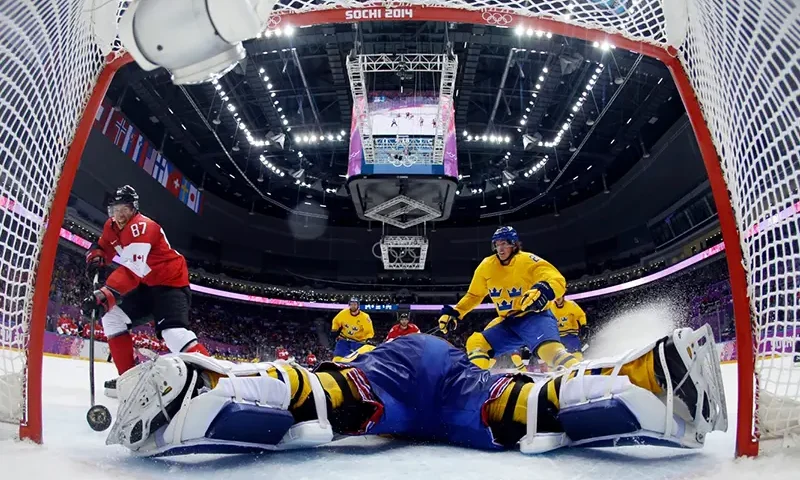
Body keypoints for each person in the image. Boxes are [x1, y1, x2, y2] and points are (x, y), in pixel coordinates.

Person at [106, 325, 728, 457]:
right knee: (524, 407)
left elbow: (335, 366)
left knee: (325, 395)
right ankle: (655, 373)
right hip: (451, 372)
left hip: (396, 374)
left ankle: (199, 384)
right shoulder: (455, 343)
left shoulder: (370, 344)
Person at [82, 185, 208, 397]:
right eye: (115, 209)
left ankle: (214, 380)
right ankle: (131, 380)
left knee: (173, 335)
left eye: (125, 209)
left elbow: (132, 271)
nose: (120, 215)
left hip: (171, 286)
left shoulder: (142, 226)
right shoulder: (111, 226)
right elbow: (104, 245)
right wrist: (96, 255)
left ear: (134, 209)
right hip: (146, 285)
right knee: (112, 318)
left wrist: (105, 294)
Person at [438, 226, 577, 370]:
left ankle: (580, 372)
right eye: (497, 244)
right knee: (477, 342)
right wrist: (456, 312)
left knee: (549, 351)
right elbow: (474, 295)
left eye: (504, 243)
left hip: (534, 317)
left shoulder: (527, 260)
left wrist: (544, 290)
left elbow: (556, 279)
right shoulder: (486, 266)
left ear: (514, 244)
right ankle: (476, 381)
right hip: (508, 323)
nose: (500, 249)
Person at [330, 297, 374, 361]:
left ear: (358, 305)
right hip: (344, 339)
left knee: (357, 360)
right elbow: (336, 321)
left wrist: (369, 338)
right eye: (351, 304)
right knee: (338, 358)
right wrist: (334, 329)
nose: (353, 306)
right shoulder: (343, 313)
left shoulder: (365, 317)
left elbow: (369, 330)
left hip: (358, 342)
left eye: (355, 304)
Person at [549, 296, 588, 360]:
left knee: (576, 355)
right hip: (557, 337)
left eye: (559, 296)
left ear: (563, 296)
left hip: (571, 335)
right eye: (556, 297)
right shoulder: (550, 307)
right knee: (555, 358)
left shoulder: (571, 304)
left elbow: (581, 315)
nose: (558, 298)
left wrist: (583, 325)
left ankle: (578, 366)